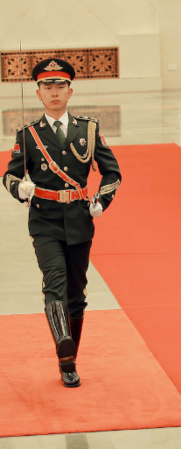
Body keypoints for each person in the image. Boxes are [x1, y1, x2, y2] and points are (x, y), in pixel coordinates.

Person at [3, 58, 121, 388]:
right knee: (53, 282)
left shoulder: (89, 129)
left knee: (76, 292)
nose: (54, 93)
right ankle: (64, 355)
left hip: (80, 219)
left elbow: (113, 172)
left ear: (70, 91)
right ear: (38, 94)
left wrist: (102, 200)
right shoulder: (28, 135)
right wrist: (20, 189)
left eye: (60, 86)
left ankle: (72, 353)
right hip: (44, 219)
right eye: (47, 87)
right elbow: (9, 175)